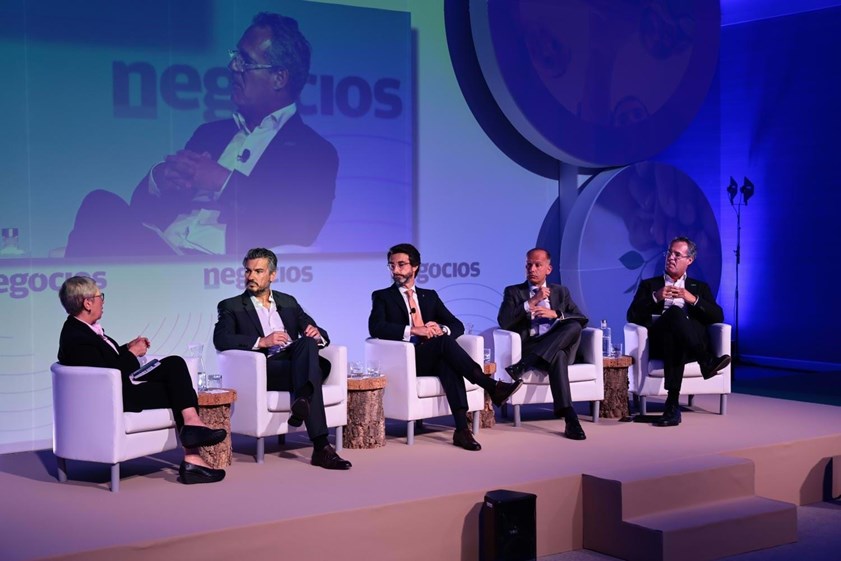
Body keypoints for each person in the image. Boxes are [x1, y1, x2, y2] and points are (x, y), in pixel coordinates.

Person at [65, 12, 338, 257]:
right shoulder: (211, 133)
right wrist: (161, 181)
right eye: (235, 57)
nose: (233, 68)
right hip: (162, 250)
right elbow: (143, 211)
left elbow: (298, 226)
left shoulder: (313, 152)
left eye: (245, 61)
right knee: (100, 207)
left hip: (215, 272)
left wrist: (222, 181)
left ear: (279, 78)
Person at [57, 276, 226, 484]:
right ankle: (193, 457)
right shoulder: (75, 336)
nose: (103, 301)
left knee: (174, 364)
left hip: (122, 384)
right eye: (101, 296)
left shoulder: (85, 329)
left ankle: (192, 427)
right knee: (180, 391)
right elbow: (105, 373)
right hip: (118, 396)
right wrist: (132, 354)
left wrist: (127, 348)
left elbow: (105, 358)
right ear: (87, 302)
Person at [368, 243, 523, 451]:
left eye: (401, 265)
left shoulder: (429, 296)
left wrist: (441, 328)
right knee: (444, 345)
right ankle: (490, 385)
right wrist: (414, 330)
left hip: (434, 355)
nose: (395, 270)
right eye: (391, 266)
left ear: (414, 267)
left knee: (447, 361)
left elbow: (456, 325)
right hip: (406, 360)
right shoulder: (382, 296)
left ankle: (462, 430)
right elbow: (376, 327)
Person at [213, 247, 351, 470]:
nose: (251, 277)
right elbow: (221, 339)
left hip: (294, 364)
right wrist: (262, 341)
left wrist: (317, 335)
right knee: (314, 370)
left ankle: (302, 401)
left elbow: (318, 331)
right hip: (266, 368)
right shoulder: (231, 306)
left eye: (258, 271)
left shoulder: (288, 302)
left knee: (308, 344)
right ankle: (321, 445)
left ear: (272, 275)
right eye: (248, 271)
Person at [626, 236, 731, 427]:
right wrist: (656, 297)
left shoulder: (699, 287)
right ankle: (706, 361)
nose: (671, 258)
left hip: (688, 343)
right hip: (659, 342)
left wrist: (693, 299)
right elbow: (632, 316)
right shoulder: (650, 285)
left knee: (676, 336)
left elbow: (718, 316)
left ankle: (672, 405)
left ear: (689, 260)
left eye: (677, 254)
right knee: (674, 316)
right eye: (669, 253)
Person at [497, 248, 589, 440]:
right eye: (529, 265)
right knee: (559, 355)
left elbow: (582, 318)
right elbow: (504, 321)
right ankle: (570, 418)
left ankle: (524, 365)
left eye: (538, 265)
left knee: (573, 326)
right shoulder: (514, 292)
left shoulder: (561, 292)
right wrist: (531, 301)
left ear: (548, 269)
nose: (532, 269)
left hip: (555, 341)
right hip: (532, 344)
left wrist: (556, 314)